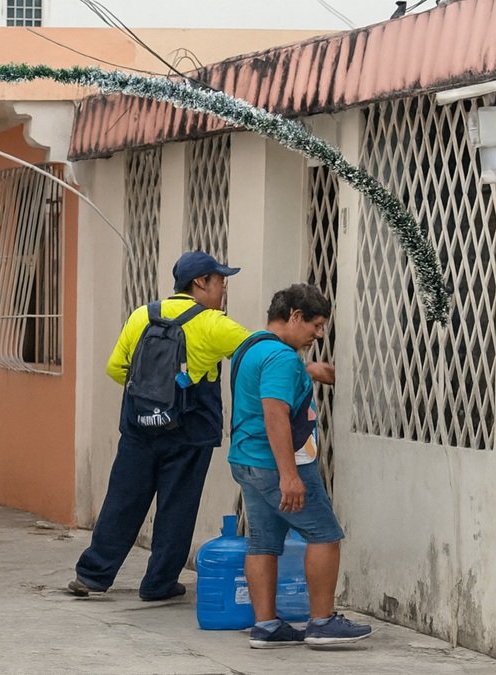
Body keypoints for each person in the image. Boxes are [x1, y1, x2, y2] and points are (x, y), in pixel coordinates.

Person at [68, 251, 251, 600]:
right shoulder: (214, 323)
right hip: (189, 432)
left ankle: (92, 575)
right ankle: (159, 584)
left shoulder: (142, 315)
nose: (223, 291)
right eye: (220, 283)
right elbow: (257, 354)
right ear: (201, 283)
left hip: (139, 427)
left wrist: (154, 396)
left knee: (122, 501)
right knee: (177, 507)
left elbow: (115, 368)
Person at [228, 284, 371, 648]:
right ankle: (322, 622)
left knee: (262, 541)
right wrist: (290, 475)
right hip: (277, 464)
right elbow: (275, 413)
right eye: (315, 325)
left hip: (247, 460)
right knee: (325, 534)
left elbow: (265, 385)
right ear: (294, 317)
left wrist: (306, 370)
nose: (318, 334)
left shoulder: (251, 347)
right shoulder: (282, 359)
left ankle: (267, 626)